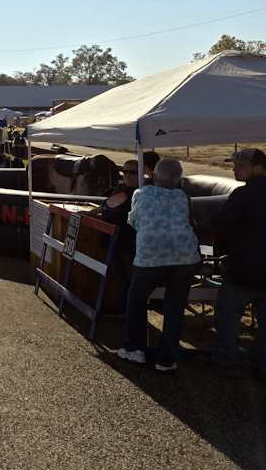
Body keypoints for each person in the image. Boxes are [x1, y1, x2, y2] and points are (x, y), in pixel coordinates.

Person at [117, 159, 200, 372]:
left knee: (137, 298)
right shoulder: (183, 196)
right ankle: (166, 358)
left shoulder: (141, 194)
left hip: (151, 256)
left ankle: (135, 348)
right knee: (175, 305)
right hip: (185, 256)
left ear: (154, 176)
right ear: (178, 179)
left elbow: (133, 221)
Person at [213, 148, 266, 377]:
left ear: (257, 168)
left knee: (227, 313)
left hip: (244, 270)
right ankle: (261, 361)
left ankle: (228, 359)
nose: (234, 169)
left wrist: (222, 253)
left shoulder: (242, 195)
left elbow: (223, 228)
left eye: (240, 166)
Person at [102, 160, 141, 307]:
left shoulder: (142, 192)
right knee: (118, 277)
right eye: (125, 171)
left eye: (132, 172)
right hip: (112, 241)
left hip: (129, 243)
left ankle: (130, 310)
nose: (127, 175)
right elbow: (106, 206)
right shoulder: (119, 187)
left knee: (129, 279)